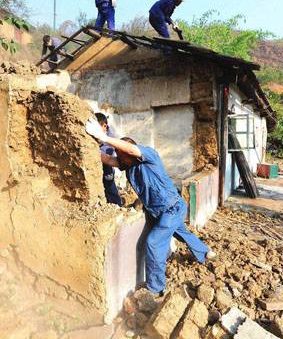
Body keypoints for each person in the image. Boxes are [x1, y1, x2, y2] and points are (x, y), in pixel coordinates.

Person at [85, 118, 216, 295]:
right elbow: (107, 159)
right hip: (160, 212)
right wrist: (89, 144)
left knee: (153, 243)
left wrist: (104, 136)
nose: (118, 156)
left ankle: (156, 289)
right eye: (118, 153)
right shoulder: (128, 165)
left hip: (172, 208)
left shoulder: (148, 156)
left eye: (120, 152)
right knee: (181, 232)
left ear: (129, 152)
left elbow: (131, 149)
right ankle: (205, 252)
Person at [95, 113, 123, 206]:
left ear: (104, 126)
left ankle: (117, 204)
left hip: (107, 166)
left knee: (109, 185)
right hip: (97, 167)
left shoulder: (110, 138)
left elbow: (108, 152)